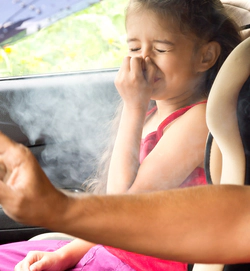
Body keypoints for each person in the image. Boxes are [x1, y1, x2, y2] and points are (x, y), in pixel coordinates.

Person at [0, 0, 243, 270]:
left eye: (160, 49)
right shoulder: (152, 115)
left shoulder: (197, 121)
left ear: (205, 57)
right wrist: (66, 255)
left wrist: (133, 106)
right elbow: (110, 219)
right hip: (112, 249)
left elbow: (121, 205)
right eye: (134, 48)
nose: (143, 59)